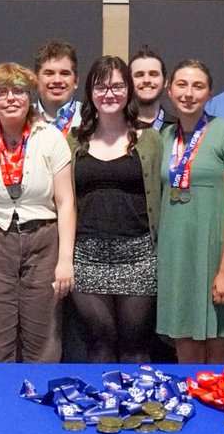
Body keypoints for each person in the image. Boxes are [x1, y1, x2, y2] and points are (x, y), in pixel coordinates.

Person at [0, 62, 75, 363]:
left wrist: (65, 260)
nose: (10, 98)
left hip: (44, 243)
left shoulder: (50, 138)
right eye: (1, 92)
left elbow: (65, 203)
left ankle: (39, 391)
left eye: (19, 91)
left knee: (44, 335)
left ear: (30, 96)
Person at [156, 59, 224, 363]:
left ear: (209, 93)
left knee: (219, 351)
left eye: (198, 86)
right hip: (178, 258)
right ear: (169, 90)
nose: (189, 93)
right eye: (182, 85)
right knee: (185, 349)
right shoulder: (163, 138)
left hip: (217, 255)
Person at [67, 55, 164, 363]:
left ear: (129, 91)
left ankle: (138, 397)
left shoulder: (151, 140)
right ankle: (103, 397)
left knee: (136, 345)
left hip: (138, 254)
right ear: (90, 92)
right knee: (100, 342)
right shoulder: (72, 141)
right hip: (86, 255)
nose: (109, 94)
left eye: (118, 86)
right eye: (101, 87)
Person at [33, 40, 82, 133]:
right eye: (49, 73)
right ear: (36, 80)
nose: (57, 80)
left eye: (64, 73)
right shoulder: (22, 118)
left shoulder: (91, 119)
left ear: (76, 81)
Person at [129, 46, 174, 131]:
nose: (146, 80)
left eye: (153, 74)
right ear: (129, 82)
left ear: (165, 82)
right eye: (139, 75)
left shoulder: (177, 128)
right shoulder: (118, 127)